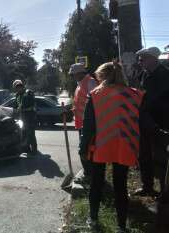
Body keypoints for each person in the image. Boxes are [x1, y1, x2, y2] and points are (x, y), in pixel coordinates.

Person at [79, 62, 143, 232]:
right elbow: (140, 122)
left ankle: (93, 220)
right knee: (121, 187)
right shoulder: (134, 95)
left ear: (102, 76)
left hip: (101, 145)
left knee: (96, 184)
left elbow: (88, 126)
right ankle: (121, 226)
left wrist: (83, 148)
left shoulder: (96, 94)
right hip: (124, 146)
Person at [134, 47, 169, 197]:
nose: (140, 61)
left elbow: (153, 99)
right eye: (140, 59)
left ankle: (165, 191)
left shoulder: (165, 74)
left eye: (143, 58)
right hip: (144, 122)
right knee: (144, 156)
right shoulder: (142, 74)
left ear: (154, 58)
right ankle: (147, 186)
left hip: (160, 124)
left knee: (160, 159)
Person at [69, 63, 98, 182]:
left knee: (86, 149)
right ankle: (88, 173)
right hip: (81, 122)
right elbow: (80, 103)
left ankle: (90, 175)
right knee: (84, 149)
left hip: (89, 123)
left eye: (74, 74)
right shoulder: (80, 84)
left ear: (80, 73)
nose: (73, 76)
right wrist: (70, 110)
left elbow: (94, 103)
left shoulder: (90, 82)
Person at [12, 79, 38, 155]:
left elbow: (33, 105)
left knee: (31, 134)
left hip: (30, 117)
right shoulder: (17, 95)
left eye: (19, 86)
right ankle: (26, 149)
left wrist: (22, 109)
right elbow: (16, 105)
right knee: (23, 133)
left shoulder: (28, 93)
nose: (18, 88)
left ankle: (34, 150)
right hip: (22, 117)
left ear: (22, 86)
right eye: (16, 87)